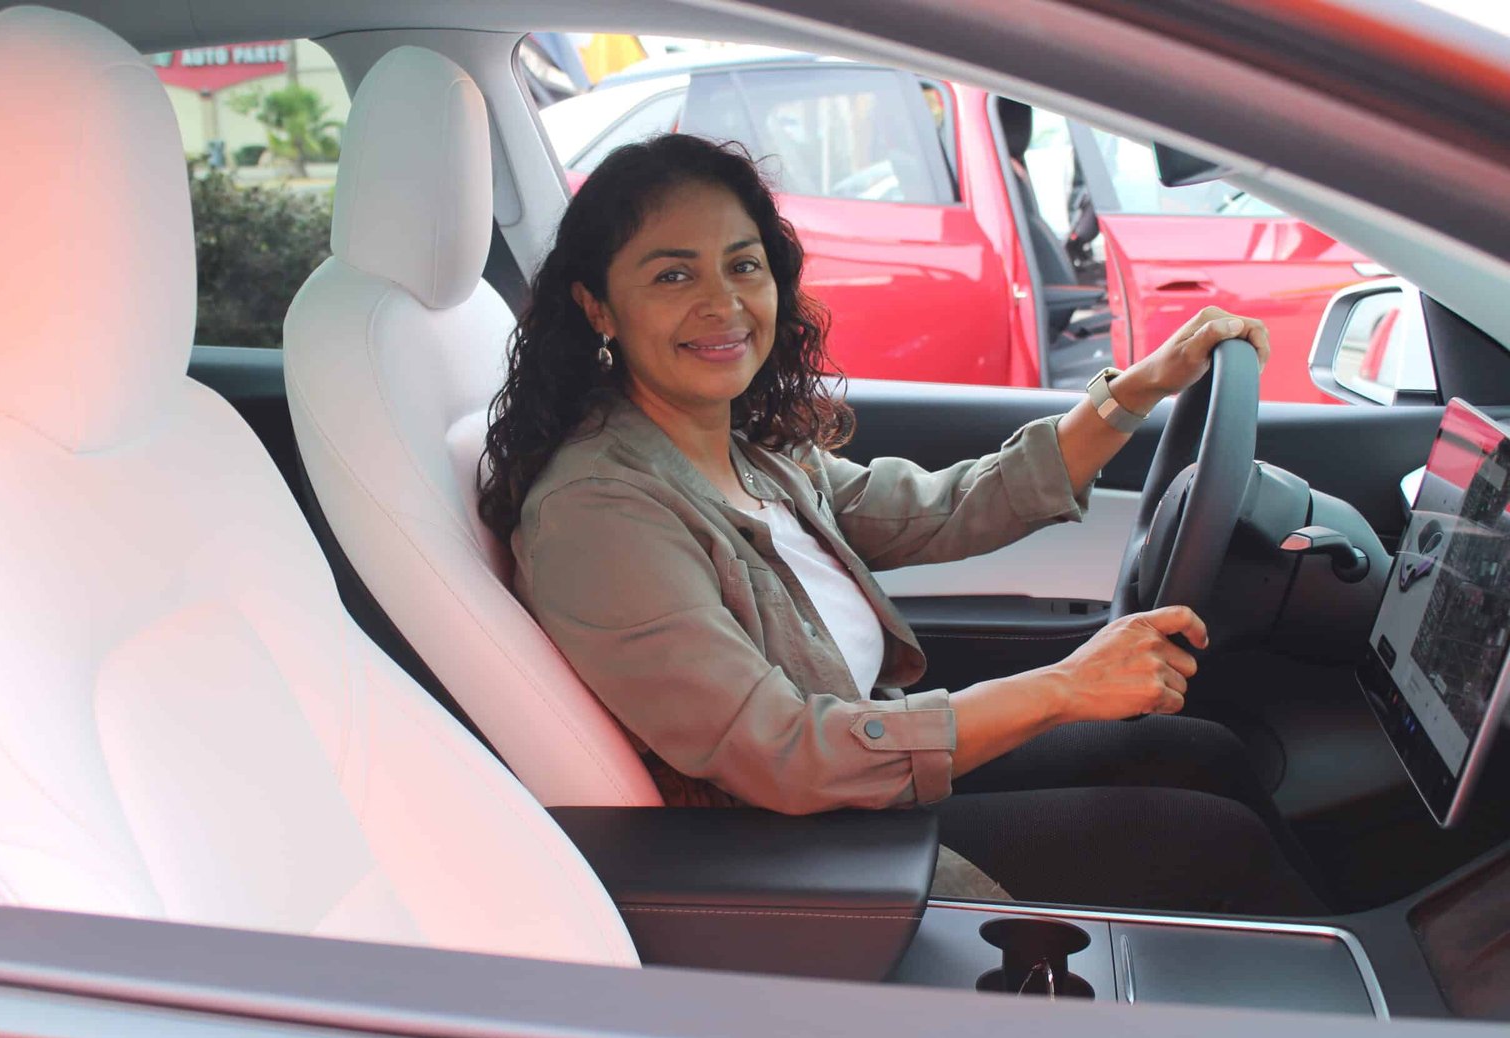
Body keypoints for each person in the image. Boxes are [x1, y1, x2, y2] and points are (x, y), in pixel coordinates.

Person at [480, 134, 1323, 915]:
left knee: (1199, 750)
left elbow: (946, 508)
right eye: (673, 276)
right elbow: (785, 750)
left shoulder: (746, 453)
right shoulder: (599, 513)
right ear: (598, 307)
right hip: (811, 857)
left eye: (743, 265)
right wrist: (1066, 686)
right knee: (1218, 845)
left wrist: (1138, 387)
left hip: (865, 780)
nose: (723, 303)